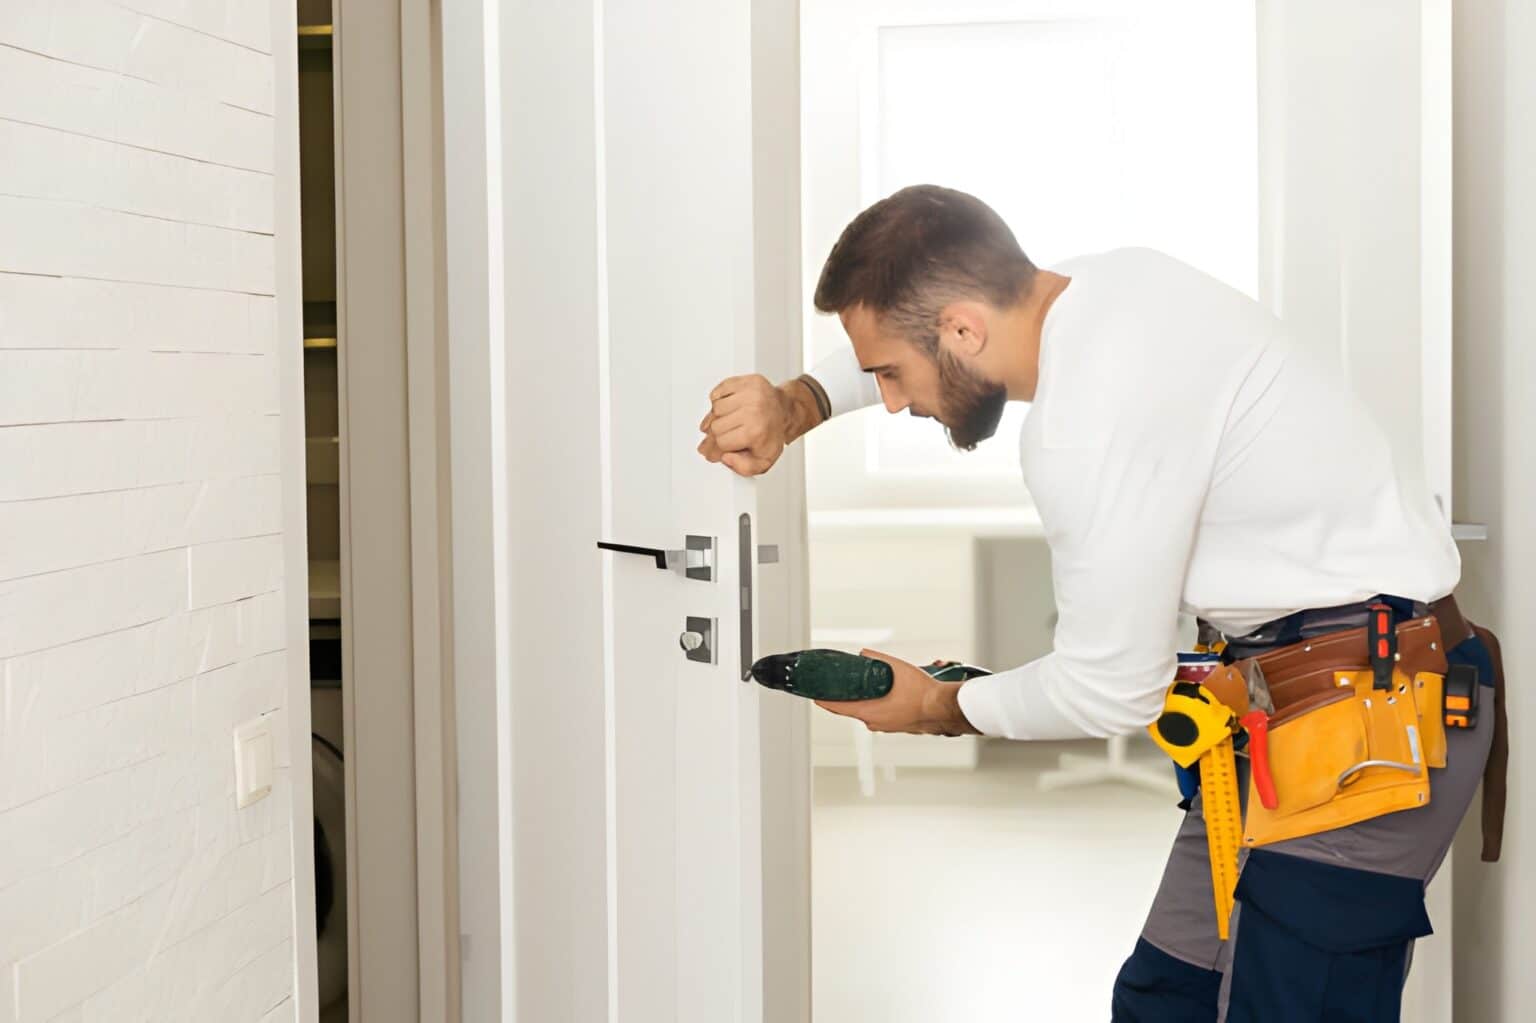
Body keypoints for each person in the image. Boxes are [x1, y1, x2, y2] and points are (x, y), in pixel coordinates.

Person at [696, 185, 1505, 1021]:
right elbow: (911, 330)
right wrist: (800, 402)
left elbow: (1112, 687)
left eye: (892, 375)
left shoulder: (1082, 425)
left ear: (964, 329)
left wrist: (936, 705)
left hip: (1372, 724)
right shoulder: (1111, 287)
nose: (894, 400)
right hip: (1281, 719)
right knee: (1164, 1000)